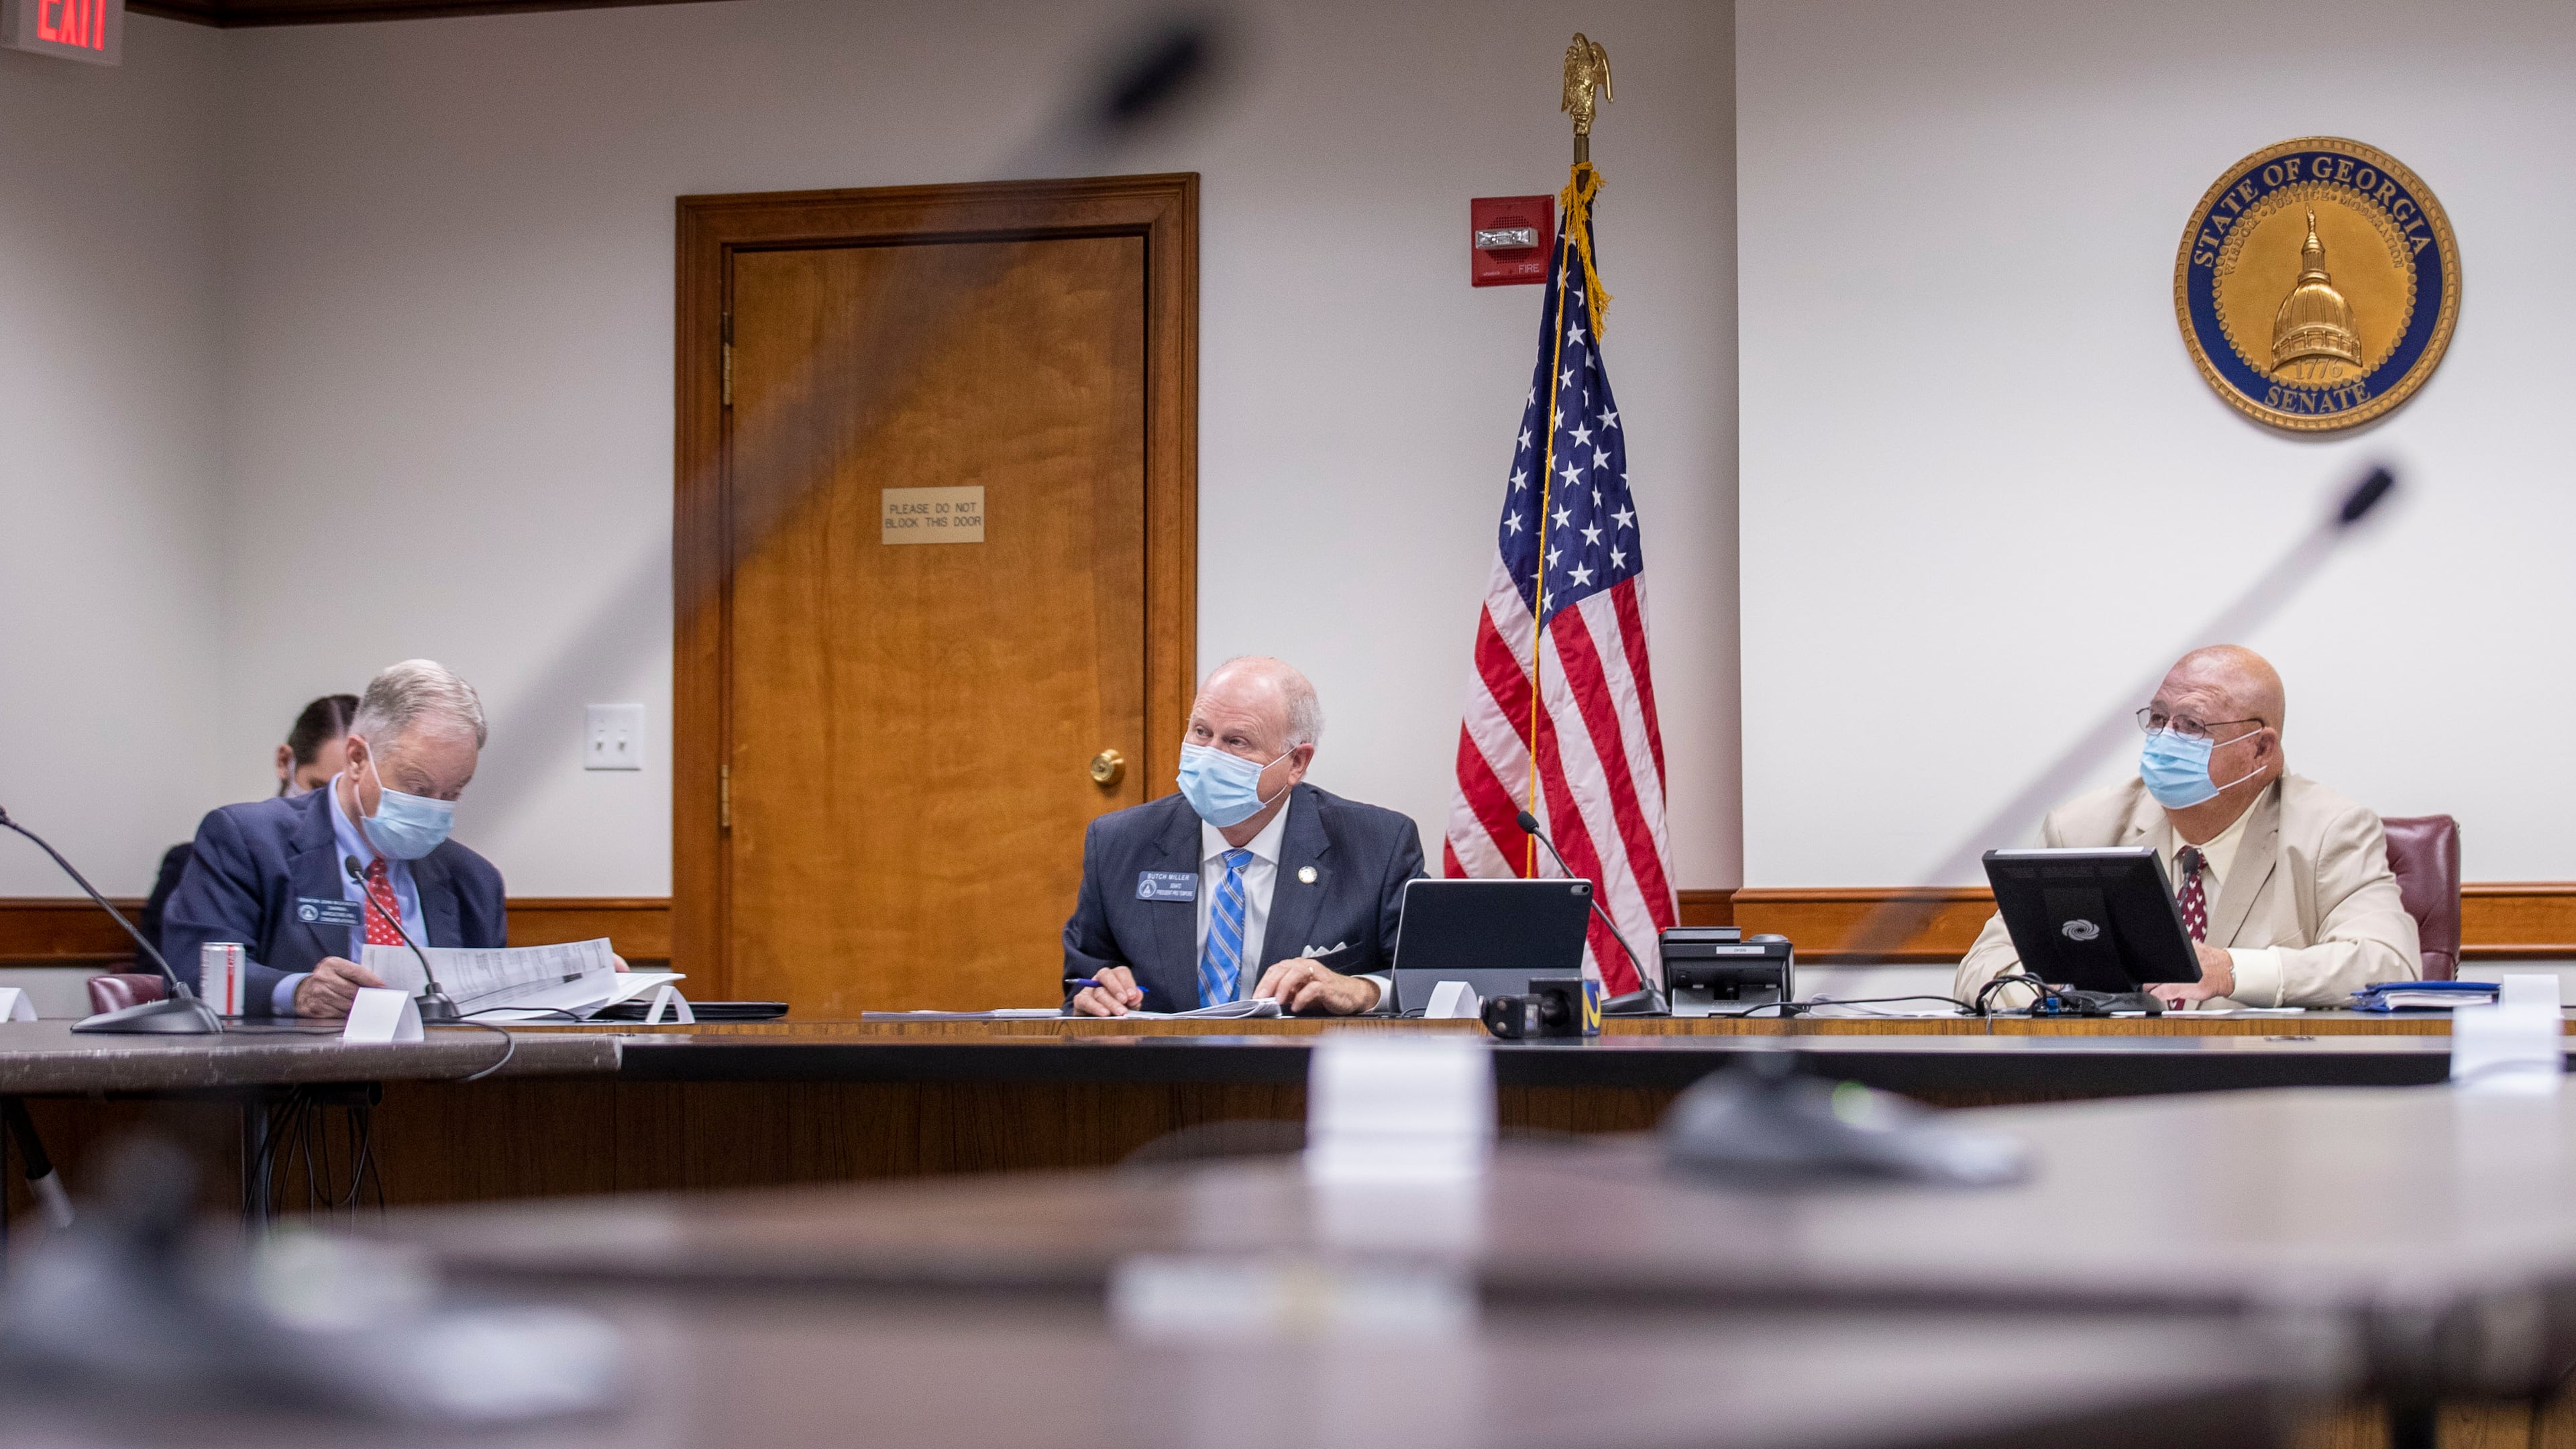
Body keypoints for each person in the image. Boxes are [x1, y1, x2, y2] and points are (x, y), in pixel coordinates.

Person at [1953, 645, 2418, 1011]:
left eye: (2192, 725)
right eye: (2158, 719)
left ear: (2260, 749)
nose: (2164, 739)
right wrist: (2061, 992)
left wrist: (2231, 971)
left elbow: (2390, 965)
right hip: (2112, 1088)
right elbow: (1981, 970)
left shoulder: (2331, 830)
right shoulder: (2083, 828)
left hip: (2260, 1096)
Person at [1063, 657, 1426, 1016]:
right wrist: (1096, 993)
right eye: (1201, 732)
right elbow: (1080, 984)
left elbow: (1431, 984)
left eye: (1237, 742)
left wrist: (1363, 991)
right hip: (1163, 1070)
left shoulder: (1378, 846)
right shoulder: (1117, 842)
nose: (1207, 757)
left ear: (1296, 762)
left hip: (1298, 1071)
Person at [161, 661, 508, 1018]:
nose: (432, 808)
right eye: (417, 788)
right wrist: (295, 991)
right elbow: (193, 973)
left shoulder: (475, 881)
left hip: (435, 1070)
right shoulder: (247, 840)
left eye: (452, 793)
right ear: (358, 758)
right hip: (295, 1068)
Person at [140, 694, 360, 961]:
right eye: (319, 788)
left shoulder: (377, 870)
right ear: (284, 762)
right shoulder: (206, 859)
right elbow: (181, 979)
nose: (331, 803)